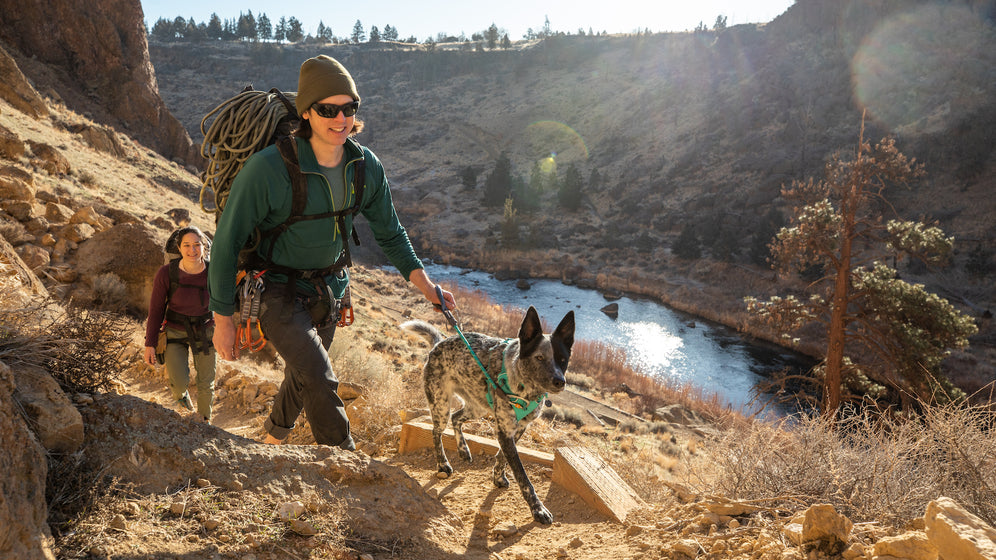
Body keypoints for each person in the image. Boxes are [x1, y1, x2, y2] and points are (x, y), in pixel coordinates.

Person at [208, 55, 456, 450]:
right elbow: (226, 244)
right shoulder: (267, 169)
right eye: (328, 109)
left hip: (329, 290)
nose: (340, 119)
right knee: (319, 375)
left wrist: (426, 286)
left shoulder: (364, 166)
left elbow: (390, 232)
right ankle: (347, 462)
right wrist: (223, 319)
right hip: (273, 289)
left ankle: (271, 441)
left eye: (349, 108)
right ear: (307, 112)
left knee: (304, 373)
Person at [144, 226, 217, 422]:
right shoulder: (166, 273)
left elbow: (224, 304)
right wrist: (150, 344)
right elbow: (156, 309)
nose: (192, 250)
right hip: (174, 332)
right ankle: (186, 407)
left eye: (197, 245)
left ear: (204, 247)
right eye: (187, 245)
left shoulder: (214, 272)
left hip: (205, 331)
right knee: (178, 382)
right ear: (179, 247)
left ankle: (204, 423)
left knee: (206, 382)